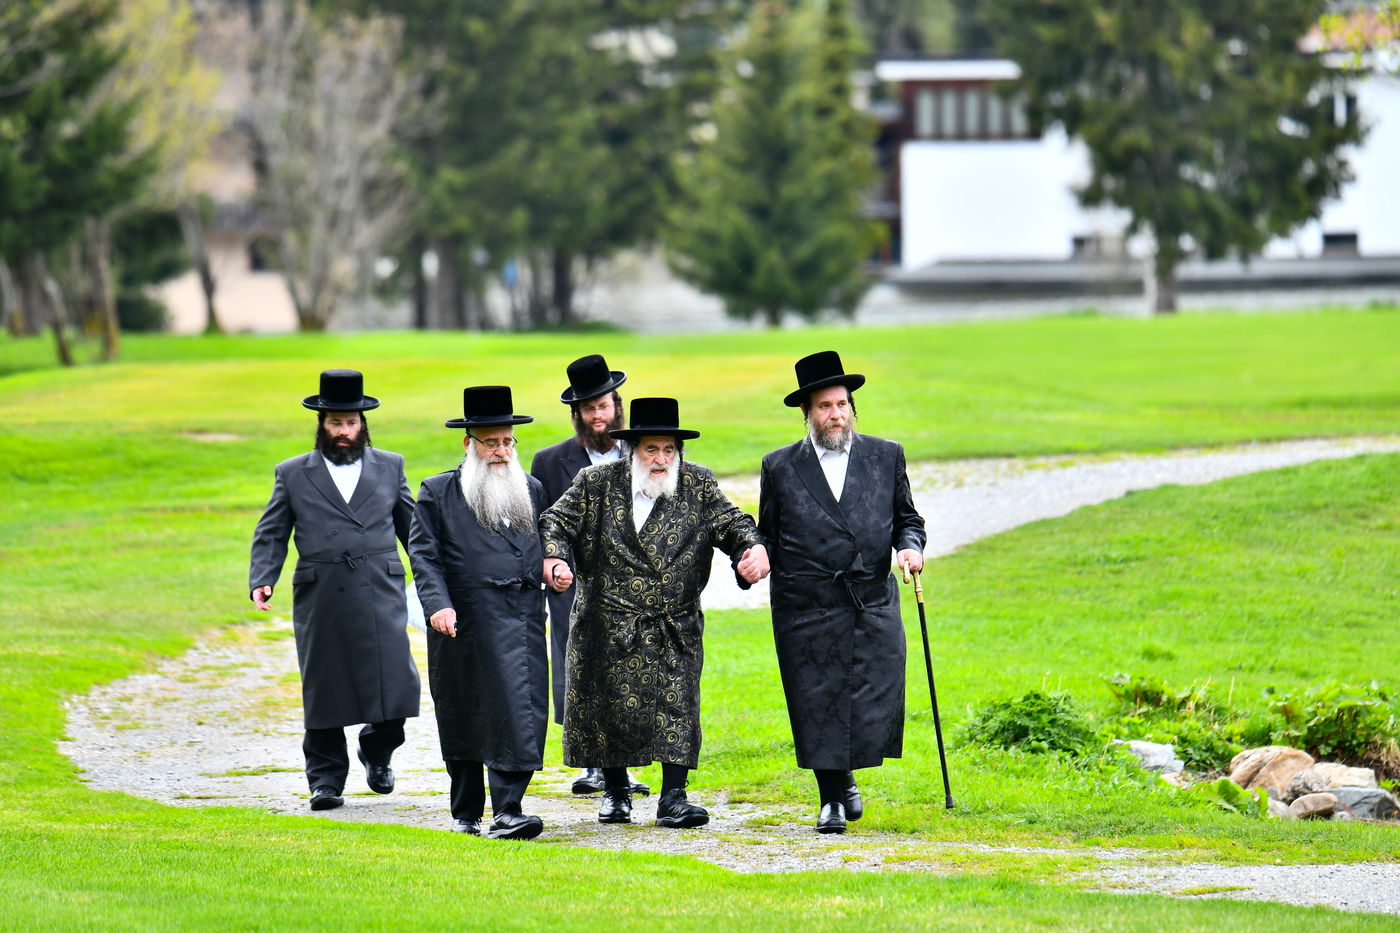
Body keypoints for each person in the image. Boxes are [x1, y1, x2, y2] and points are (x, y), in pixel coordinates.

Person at [540, 397, 770, 828]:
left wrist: (752, 549)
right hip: (608, 621)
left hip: (673, 622)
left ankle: (674, 797)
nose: (661, 459)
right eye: (651, 450)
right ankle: (615, 791)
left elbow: (735, 523)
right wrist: (555, 558)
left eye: (669, 450)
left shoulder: (698, 484)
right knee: (607, 705)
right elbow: (555, 521)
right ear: (632, 451)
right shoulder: (596, 482)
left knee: (677, 703)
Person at [758, 351, 926, 834]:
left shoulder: (885, 454)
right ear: (807, 413)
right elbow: (768, 532)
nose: (835, 414)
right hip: (805, 603)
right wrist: (756, 555)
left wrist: (910, 548)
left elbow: (907, 518)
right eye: (825, 406)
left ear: (853, 408)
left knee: (875, 687)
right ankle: (831, 794)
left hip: (869, 597)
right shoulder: (780, 466)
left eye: (842, 404)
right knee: (816, 698)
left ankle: (849, 772)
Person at [248, 369, 420, 812]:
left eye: (351, 423)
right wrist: (263, 576)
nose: (343, 432)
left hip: (379, 588)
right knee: (323, 687)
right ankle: (325, 780)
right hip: (320, 592)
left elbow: (413, 529)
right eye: (335, 423)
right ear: (321, 424)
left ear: (363, 423)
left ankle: (377, 749)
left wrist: (433, 574)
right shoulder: (292, 473)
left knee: (396, 683)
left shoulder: (390, 466)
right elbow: (271, 531)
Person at [407, 385, 549, 840]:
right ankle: (466, 810)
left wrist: (555, 567)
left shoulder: (532, 489)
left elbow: (548, 545)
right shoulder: (438, 492)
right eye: (491, 442)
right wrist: (438, 605)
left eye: (507, 442)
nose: (501, 451)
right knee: (466, 711)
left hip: (522, 617)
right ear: (468, 444)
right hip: (463, 622)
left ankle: (509, 808)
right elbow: (424, 555)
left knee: (521, 709)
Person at [529, 354, 648, 798]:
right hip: (573, 582)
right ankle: (595, 764)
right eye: (589, 409)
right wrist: (551, 563)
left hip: (635, 585)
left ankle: (627, 764)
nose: (599, 416)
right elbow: (543, 523)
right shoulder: (550, 461)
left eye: (605, 406)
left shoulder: (644, 452)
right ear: (576, 414)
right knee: (579, 668)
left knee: (631, 668)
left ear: (618, 405)